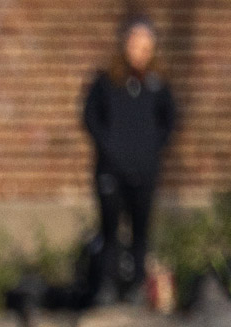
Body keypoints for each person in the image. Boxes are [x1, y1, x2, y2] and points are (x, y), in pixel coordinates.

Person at [82, 15, 178, 305]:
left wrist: (150, 150)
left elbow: (170, 122)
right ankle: (106, 289)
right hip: (111, 170)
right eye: (136, 46)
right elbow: (90, 119)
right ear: (125, 45)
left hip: (144, 171)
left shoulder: (157, 85)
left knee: (140, 232)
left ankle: (137, 291)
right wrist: (111, 149)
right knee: (109, 230)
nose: (140, 53)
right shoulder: (106, 82)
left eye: (146, 48)